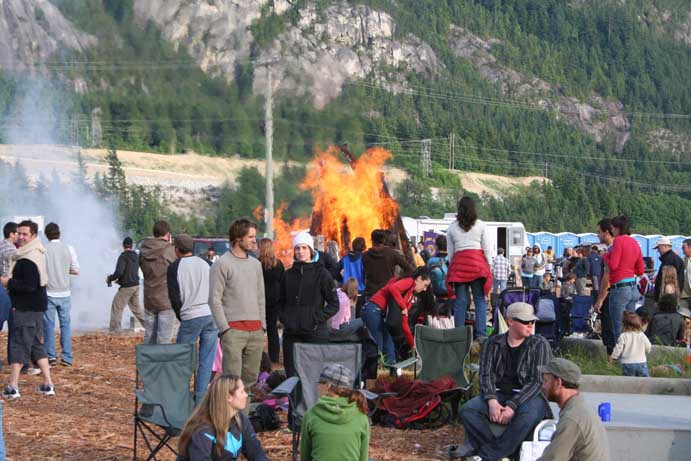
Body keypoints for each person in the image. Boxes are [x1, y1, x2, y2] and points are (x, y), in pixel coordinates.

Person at [450, 302, 551, 460]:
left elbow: (536, 382)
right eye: (525, 321)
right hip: (499, 393)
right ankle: (503, 452)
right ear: (510, 321)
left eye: (532, 321)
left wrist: (512, 405)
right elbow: (485, 375)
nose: (530, 325)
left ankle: (488, 454)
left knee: (528, 415)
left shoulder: (539, 344)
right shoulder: (493, 343)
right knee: (468, 410)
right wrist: (492, 401)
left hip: (528, 396)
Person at [0, 220, 55, 399]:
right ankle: (48, 384)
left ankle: (12, 387)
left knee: (18, 345)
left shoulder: (28, 258)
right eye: (19, 233)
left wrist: (9, 282)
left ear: (33, 235)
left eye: (25, 234)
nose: (21, 237)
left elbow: (30, 286)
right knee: (36, 346)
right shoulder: (36, 252)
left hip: (26, 308)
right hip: (36, 308)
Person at [209, 219, 265, 389]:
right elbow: (214, 299)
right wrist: (225, 329)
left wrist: (262, 327)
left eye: (254, 236)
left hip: (256, 332)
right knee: (232, 383)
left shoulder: (256, 265)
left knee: (250, 382)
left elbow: (260, 297)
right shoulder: (222, 264)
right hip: (233, 332)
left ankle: (245, 409)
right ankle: (228, 409)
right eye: (250, 237)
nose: (254, 240)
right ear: (238, 238)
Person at [279, 232, 338, 377]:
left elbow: (334, 304)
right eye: (297, 248)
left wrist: (316, 318)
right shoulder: (288, 275)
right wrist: (286, 318)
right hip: (291, 334)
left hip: (315, 333)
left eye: (304, 248)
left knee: (314, 375)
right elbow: (280, 301)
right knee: (292, 375)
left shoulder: (322, 274)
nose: (300, 252)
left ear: (311, 250)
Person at [167, 234, 218, 403]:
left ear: (176, 250)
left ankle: (180, 398)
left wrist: (181, 316)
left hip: (190, 315)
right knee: (206, 361)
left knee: (183, 360)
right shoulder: (207, 264)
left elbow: (174, 298)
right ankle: (200, 399)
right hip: (210, 315)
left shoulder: (174, 267)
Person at [178, 374, 268, 461]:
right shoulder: (203, 428)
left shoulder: (241, 420)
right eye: (242, 392)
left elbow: (255, 451)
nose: (246, 395)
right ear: (228, 397)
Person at [536, 358, 610, 461]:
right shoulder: (579, 408)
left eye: (546, 381)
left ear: (558, 383)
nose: (543, 386)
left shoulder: (572, 418)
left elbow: (552, 458)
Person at [300, 364, 370, 461]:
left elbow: (305, 456)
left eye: (320, 383)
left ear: (327, 386)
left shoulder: (310, 415)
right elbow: (363, 457)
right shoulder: (361, 416)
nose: (317, 386)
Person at [361, 267, 431, 364]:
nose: (425, 289)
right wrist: (403, 306)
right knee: (379, 347)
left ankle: (389, 371)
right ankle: (372, 372)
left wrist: (412, 345)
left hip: (376, 313)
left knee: (389, 349)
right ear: (419, 279)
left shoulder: (410, 295)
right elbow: (393, 288)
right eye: (425, 285)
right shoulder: (410, 281)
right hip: (373, 310)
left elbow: (404, 323)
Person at [447, 196, 492, 341]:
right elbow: (487, 248)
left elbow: (451, 252)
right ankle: (481, 335)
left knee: (461, 301)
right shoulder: (481, 225)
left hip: (460, 265)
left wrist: (453, 267)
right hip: (477, 265)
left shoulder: (452, 227)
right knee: (479, 300)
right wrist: (489, 265)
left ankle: (459, 335)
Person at [602, 215, 645, 343]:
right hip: (633, 287)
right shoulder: (634, 242)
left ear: (616, 228)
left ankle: (621, 354)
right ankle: (633, 352)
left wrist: (605, 256)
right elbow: (640, 270)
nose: (612, 231)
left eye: (612, 228)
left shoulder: (618, 241)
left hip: (620, 288)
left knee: (619, 329)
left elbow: (613, 265)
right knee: (631, 328)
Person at [42, 222, 80, 367]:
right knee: (65, 325)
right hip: (65, 292)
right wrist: (65, 270)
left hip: (49, 292)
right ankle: (67, 357)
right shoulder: (69, 248)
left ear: (46, 235)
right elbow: (76, 270)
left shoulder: (44, 249)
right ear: (59, 233)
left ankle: (51, 356)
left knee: (48, 325)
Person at [139, 220, 177, 344]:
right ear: (168, 234)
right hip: (165, 299)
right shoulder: (170, 250)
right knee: (164, 339)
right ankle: (161, 358)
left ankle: (147, 357)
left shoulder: (144, 250)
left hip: (149, 297)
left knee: (149, 337)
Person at [107, 236, 146, 332]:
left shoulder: (123, 257)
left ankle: (114, 330)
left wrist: (110, 278)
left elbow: (119, 272)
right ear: (132, 246)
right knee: (137, 309)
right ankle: (151, 327)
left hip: (127, 286)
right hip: (136, 285)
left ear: (123, 245)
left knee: (117, 306)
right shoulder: (136, 256)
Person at [362, 229, 412, 301]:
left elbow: (364, 273)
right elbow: (409, 269)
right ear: (384, 240)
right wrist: (398, 280)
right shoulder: (392, 253)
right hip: (387, 292)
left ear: (372, 240)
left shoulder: (365, 255)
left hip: (371, 292)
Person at [258, 238, 284, 364]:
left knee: (259, 329)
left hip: (260, 300)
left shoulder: (257, 264)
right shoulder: (278, 264)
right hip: (275, 300)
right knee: (272, 329)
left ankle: (259, 356)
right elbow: (283, 281)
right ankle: (274, 357)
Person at [610, 311, 651, 376]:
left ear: (624, 324)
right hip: (641, 362)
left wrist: (614, 357)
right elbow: (648, 346)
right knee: (644, 380)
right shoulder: (642, 335)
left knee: (628, 380)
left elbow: (618, 348)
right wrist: (647, 351)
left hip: (628, 363)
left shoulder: (623, 336)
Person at [336, 237, 366, 317]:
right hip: (360, 289)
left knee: (345, 315)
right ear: (364, 247)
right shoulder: (364, 258)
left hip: (347, 289)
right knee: (359, 315)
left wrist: (341, 279)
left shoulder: (345, 258)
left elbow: (335, 270)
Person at [653, 237, 684, 302]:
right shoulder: (672, 258)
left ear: (665, 246)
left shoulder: (669, 260)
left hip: (667, 299)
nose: (658, 250)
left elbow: (667, 280)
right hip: (671, 297)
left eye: (658, 248)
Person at [680, 238, 691, 310]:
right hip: (685, 295)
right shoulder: (684, 259)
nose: (682, 250)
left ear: (690, 247)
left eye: (683, 248)